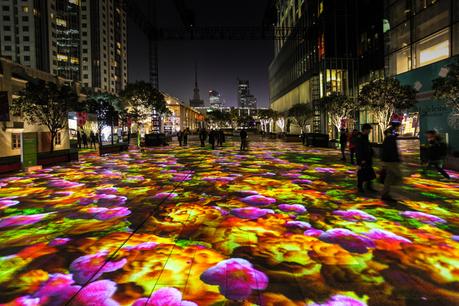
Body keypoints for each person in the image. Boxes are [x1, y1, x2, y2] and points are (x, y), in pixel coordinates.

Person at [380, 123, 403, 202]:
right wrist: (396, 159)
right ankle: (385, 193)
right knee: (398, 175)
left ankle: (385, 194)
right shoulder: (390, 138)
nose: (398, 129)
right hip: (391, 161)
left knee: (389, 177)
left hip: (389, 160)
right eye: (398, 127)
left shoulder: (390, 138)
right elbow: (390, 150)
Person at [356, 124, 376, 193]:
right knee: (361, 173)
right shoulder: (360, 137)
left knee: (369, 172)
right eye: (369, 130)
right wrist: (361, 160)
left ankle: (369, 186)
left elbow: (367, 147)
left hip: (368, 158)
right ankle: (360, 187)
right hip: (363, 159)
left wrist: (371, 152)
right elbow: (359, 149)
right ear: (365, 130)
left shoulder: (365, 137)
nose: (370, 131)